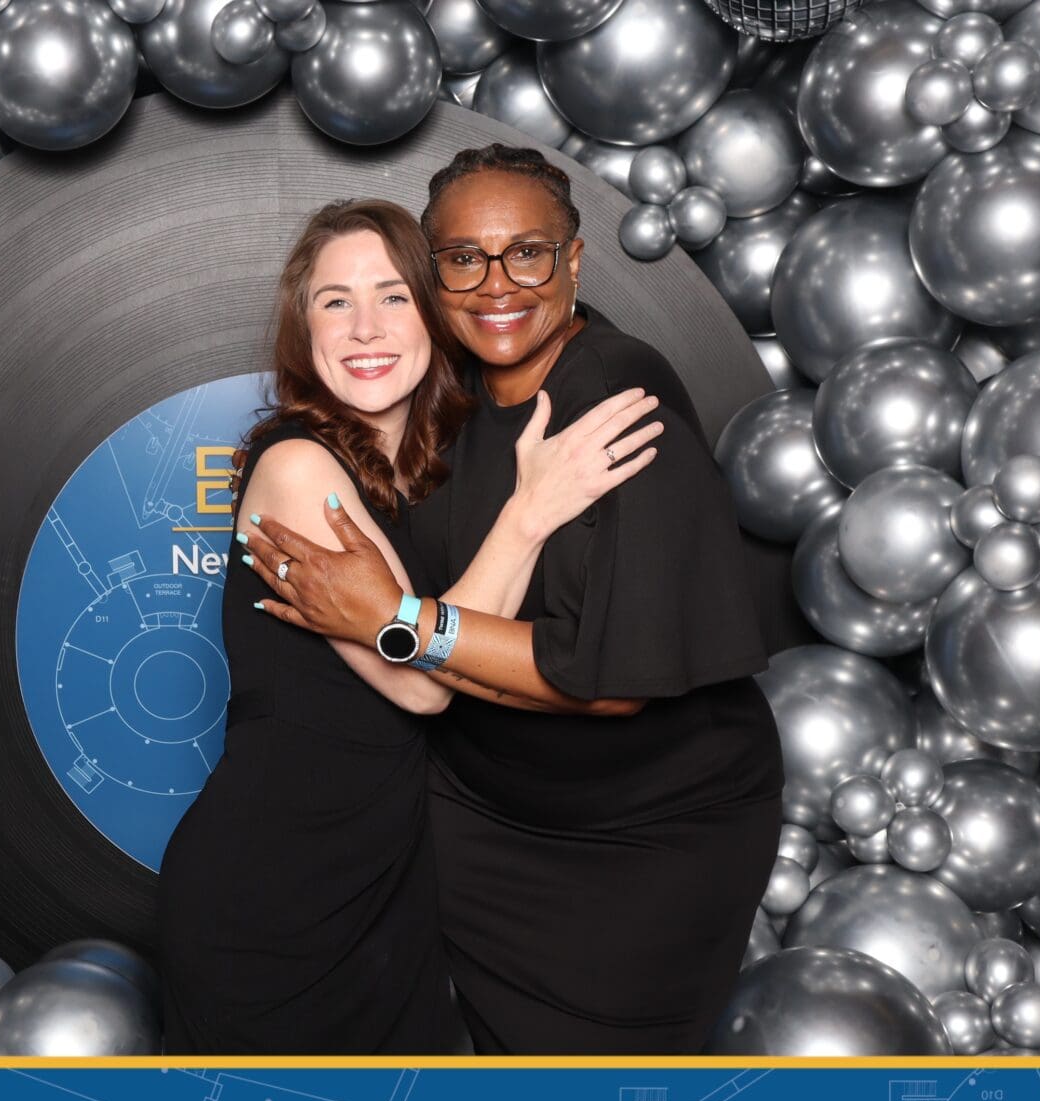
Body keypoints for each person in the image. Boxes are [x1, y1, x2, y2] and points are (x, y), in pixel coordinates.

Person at [240, 148, 785, 1054]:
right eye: (464, 259)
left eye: (527, 253)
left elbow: (610, 686)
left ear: (574, 261)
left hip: (644, 832)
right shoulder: (448, 397)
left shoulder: (612, 396)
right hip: (482, 822)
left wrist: (393, 623)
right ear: (437, 275)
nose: (497, 284)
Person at [158, 198, 665, 1053]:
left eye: (393, 296)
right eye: (336, 301)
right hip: (272, 891)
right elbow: (424, 686)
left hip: (388, 891)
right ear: (305, 330)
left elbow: (462, 637)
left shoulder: (421, 483)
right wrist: (531, 511)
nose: (365, 327)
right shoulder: (295, 467)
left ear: (432, 315)